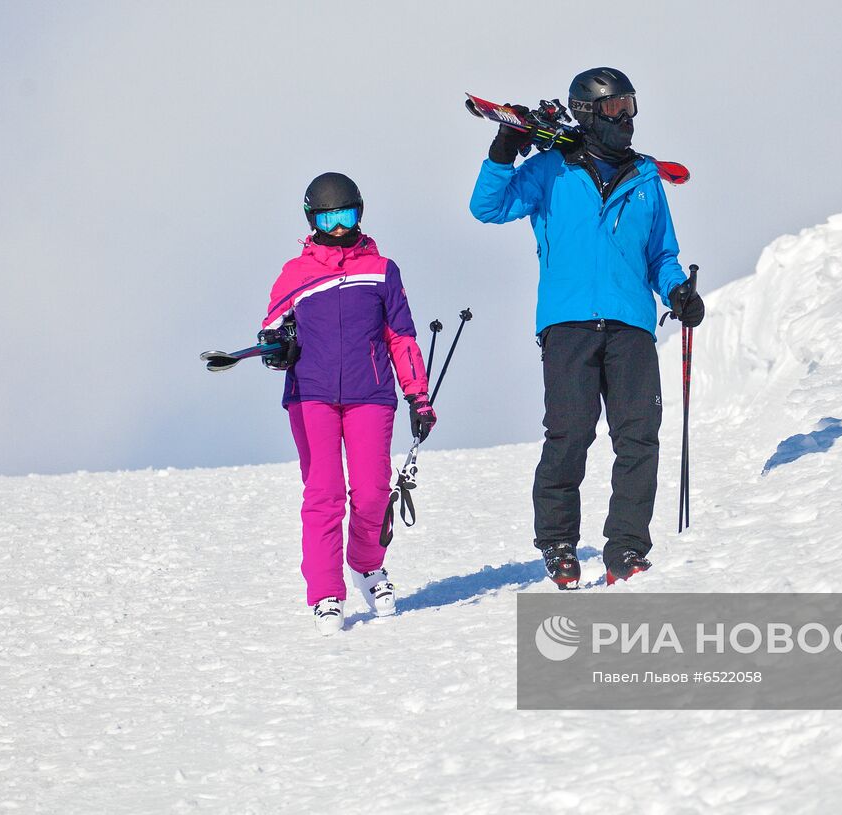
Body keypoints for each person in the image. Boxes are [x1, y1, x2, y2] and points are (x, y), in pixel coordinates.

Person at [469, 67, 705, 588]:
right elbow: (488, 207)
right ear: (589, 114)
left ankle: (627, 548)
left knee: (639, 437)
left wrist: (677, 292)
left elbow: (662, 255)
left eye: (631, 105)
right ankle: (558, 543)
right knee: (570, 433)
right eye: (616, 109)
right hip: (569, 322)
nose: (628, 118)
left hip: (631, 324)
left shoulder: (647, 178)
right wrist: (506, 145)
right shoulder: (551, 170)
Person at [261, 172, 437, 635]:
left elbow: (401, 337)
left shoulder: (381, 270)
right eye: (329, 217)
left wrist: (418, 395)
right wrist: (278, 346)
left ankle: (366, 566)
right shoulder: (295, 274)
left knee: (374, 491)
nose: (340, 227)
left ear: (360, 213)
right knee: (323, 494)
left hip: (371, 393)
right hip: (311, 395)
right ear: (312, 219)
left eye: (348, 215)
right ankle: (325, 594)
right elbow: (272, 331)